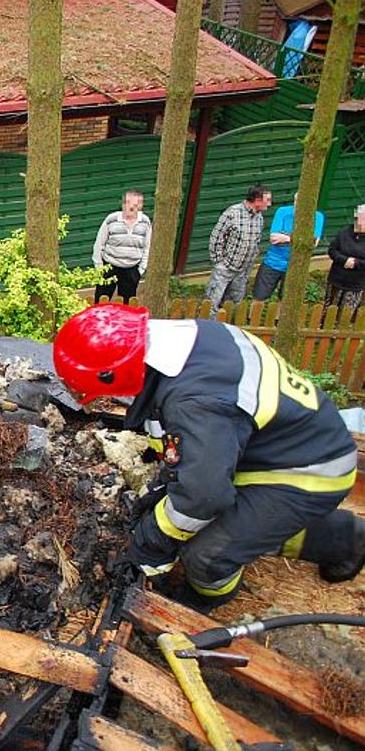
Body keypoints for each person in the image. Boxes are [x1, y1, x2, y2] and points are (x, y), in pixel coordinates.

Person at [53, 302, 364, 612]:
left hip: (308, 470)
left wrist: (153, 540)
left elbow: (202, 498)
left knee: (205, 552)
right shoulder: (186, 341)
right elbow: (196, 447)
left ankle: (203, 599)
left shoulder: (194, 402)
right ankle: (347, 539)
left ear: (113, 373)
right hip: (282, 445)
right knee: (233, 521)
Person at [205, 185, 272, 316]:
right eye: (267, 200)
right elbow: (216, 237)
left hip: (243, 271)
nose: (270, 203)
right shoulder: (232, 213)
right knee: (212, 303)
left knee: (234, 304)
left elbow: (256, 241)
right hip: (225, 268)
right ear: (257, 200)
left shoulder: (259, 218)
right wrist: (220, 262)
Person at [251, 192, 325, 302]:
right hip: (273, 262)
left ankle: (278, 319)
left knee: (287, 300)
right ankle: (253, 318)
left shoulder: (317, 217)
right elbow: (274, 238)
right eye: (296, 201)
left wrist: (286, 238)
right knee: (258, 296)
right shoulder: (283, 212)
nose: (297, 205)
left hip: (296, 265)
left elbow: (313, 243)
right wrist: (299, 240)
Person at [92, 189, 151, 302]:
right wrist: (99, 268)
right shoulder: (111, 219)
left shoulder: (145, 222)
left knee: (126, 306)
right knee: (100, 302)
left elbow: (147, 247)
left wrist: (141, 270)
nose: (131, 207)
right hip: (109, 267)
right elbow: (99, 244)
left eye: (135, 204)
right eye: (127, 203)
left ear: (140, 206)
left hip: (131, 270)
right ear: (123, 204)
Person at [322, 204, 365, 318]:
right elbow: (332, 250)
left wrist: (355, 263)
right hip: (336, 279)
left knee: (345, 314)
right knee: (328, 310)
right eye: (359, 217)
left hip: (356, 283)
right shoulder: (344, 232)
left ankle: (338, 334)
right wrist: (344, 260)